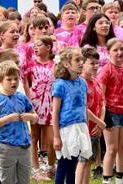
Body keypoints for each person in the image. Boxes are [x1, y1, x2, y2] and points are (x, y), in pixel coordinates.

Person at [52, 48, 105, 184]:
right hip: (66, 129)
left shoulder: (82, 83)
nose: (81, 62)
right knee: (63, 165)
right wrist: (57, 136)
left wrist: (86, 129)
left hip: (80, 127)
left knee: (73, 166)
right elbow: (55, 113)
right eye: (77, 60)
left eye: (82, 59)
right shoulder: (60, 84)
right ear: (66, 64)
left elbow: (84, 108)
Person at [0, 60, 37, 184]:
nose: (13, 82)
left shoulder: (22, 97)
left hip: (24, 146)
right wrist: (7, 118)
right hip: (6, 147)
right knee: (6, 180)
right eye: (9, 79)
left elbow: (35, 116)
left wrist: (31, 116)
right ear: (0, 81)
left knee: (24, 180)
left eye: (16, 79)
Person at [99, 38, 123, 184]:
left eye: (121, 49)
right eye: (115, 50)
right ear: (108, 52)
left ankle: (121, 177)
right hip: (111, 113)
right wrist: (104, 116)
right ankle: (107, 178)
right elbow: (101, 96)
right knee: (112, 148)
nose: (120, 52)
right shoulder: (106, 70)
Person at [27, 35, 56, 181]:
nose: (35, 48)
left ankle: (51, 167)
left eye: (39, 45)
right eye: (34, 45)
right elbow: (27, 84)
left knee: (51, 139)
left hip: (50, 105)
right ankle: (35, 168)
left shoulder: (54, 65)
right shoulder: (30, 65)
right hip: (35, 104)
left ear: (48, 47)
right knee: (34, 137)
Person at [76, 47, 105, 183]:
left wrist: (100, 123)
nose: (95, 66)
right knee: (82, 162)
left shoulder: (96, 81)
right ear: (82, 63)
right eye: (92, 63)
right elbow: (83, 107)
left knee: (89, 162)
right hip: (83, 128)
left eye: (97, 63)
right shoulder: (80, 83)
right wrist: (99, 122)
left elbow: (102, 104)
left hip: (95, 128)